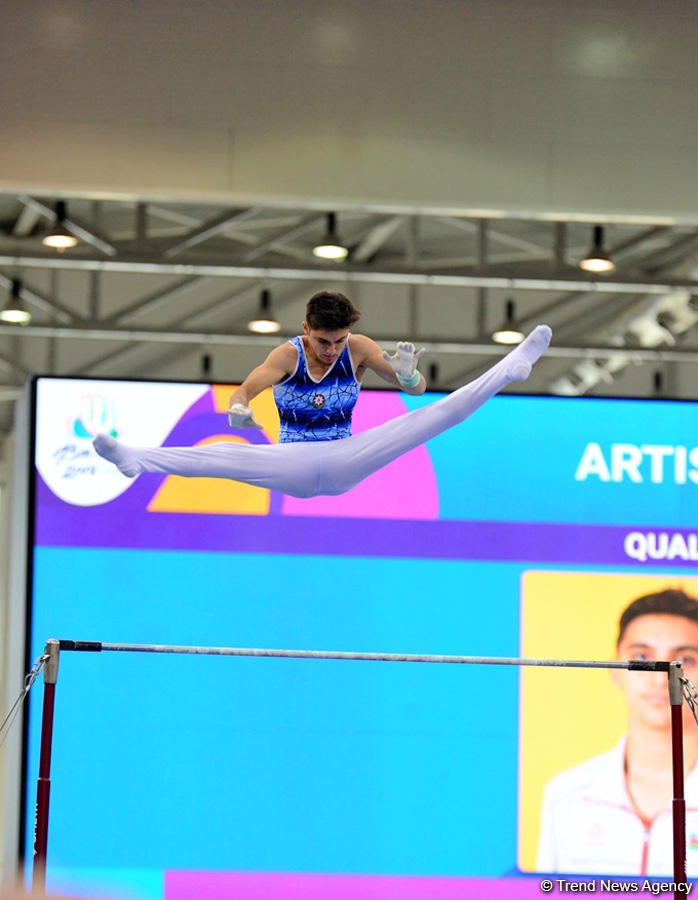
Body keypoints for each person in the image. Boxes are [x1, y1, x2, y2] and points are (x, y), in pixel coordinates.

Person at [93, 290, 552, 498]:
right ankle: (137, 459)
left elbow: (417, 392)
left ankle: (510, 369)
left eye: (339, 340)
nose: (332, 350)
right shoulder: (286, 356)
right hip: (290, 463)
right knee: (225, 457)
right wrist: (238, 409)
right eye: (323, 341)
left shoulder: (359, 348)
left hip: (346, 457)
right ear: (305, 329)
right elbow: (247, 389)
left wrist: (409, 374)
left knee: (433, 417)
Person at [536, 588, 698, 877]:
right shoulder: (566, 797)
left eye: (684, 660)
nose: (661, 677)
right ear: (615, 670)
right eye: (641, 656)